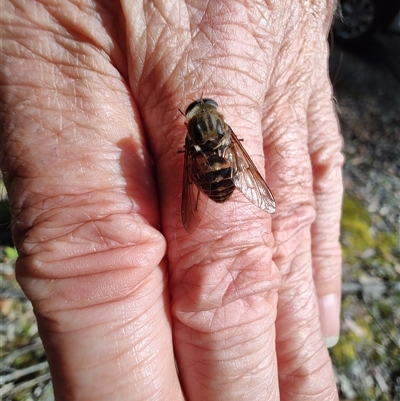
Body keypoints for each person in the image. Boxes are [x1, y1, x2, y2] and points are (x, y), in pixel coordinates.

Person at [1, 1, 343, 399]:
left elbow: (190, 168)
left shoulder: (189, 136)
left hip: (210, 174)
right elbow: (237, 158)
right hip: (228, 171)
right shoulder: (227, 134)